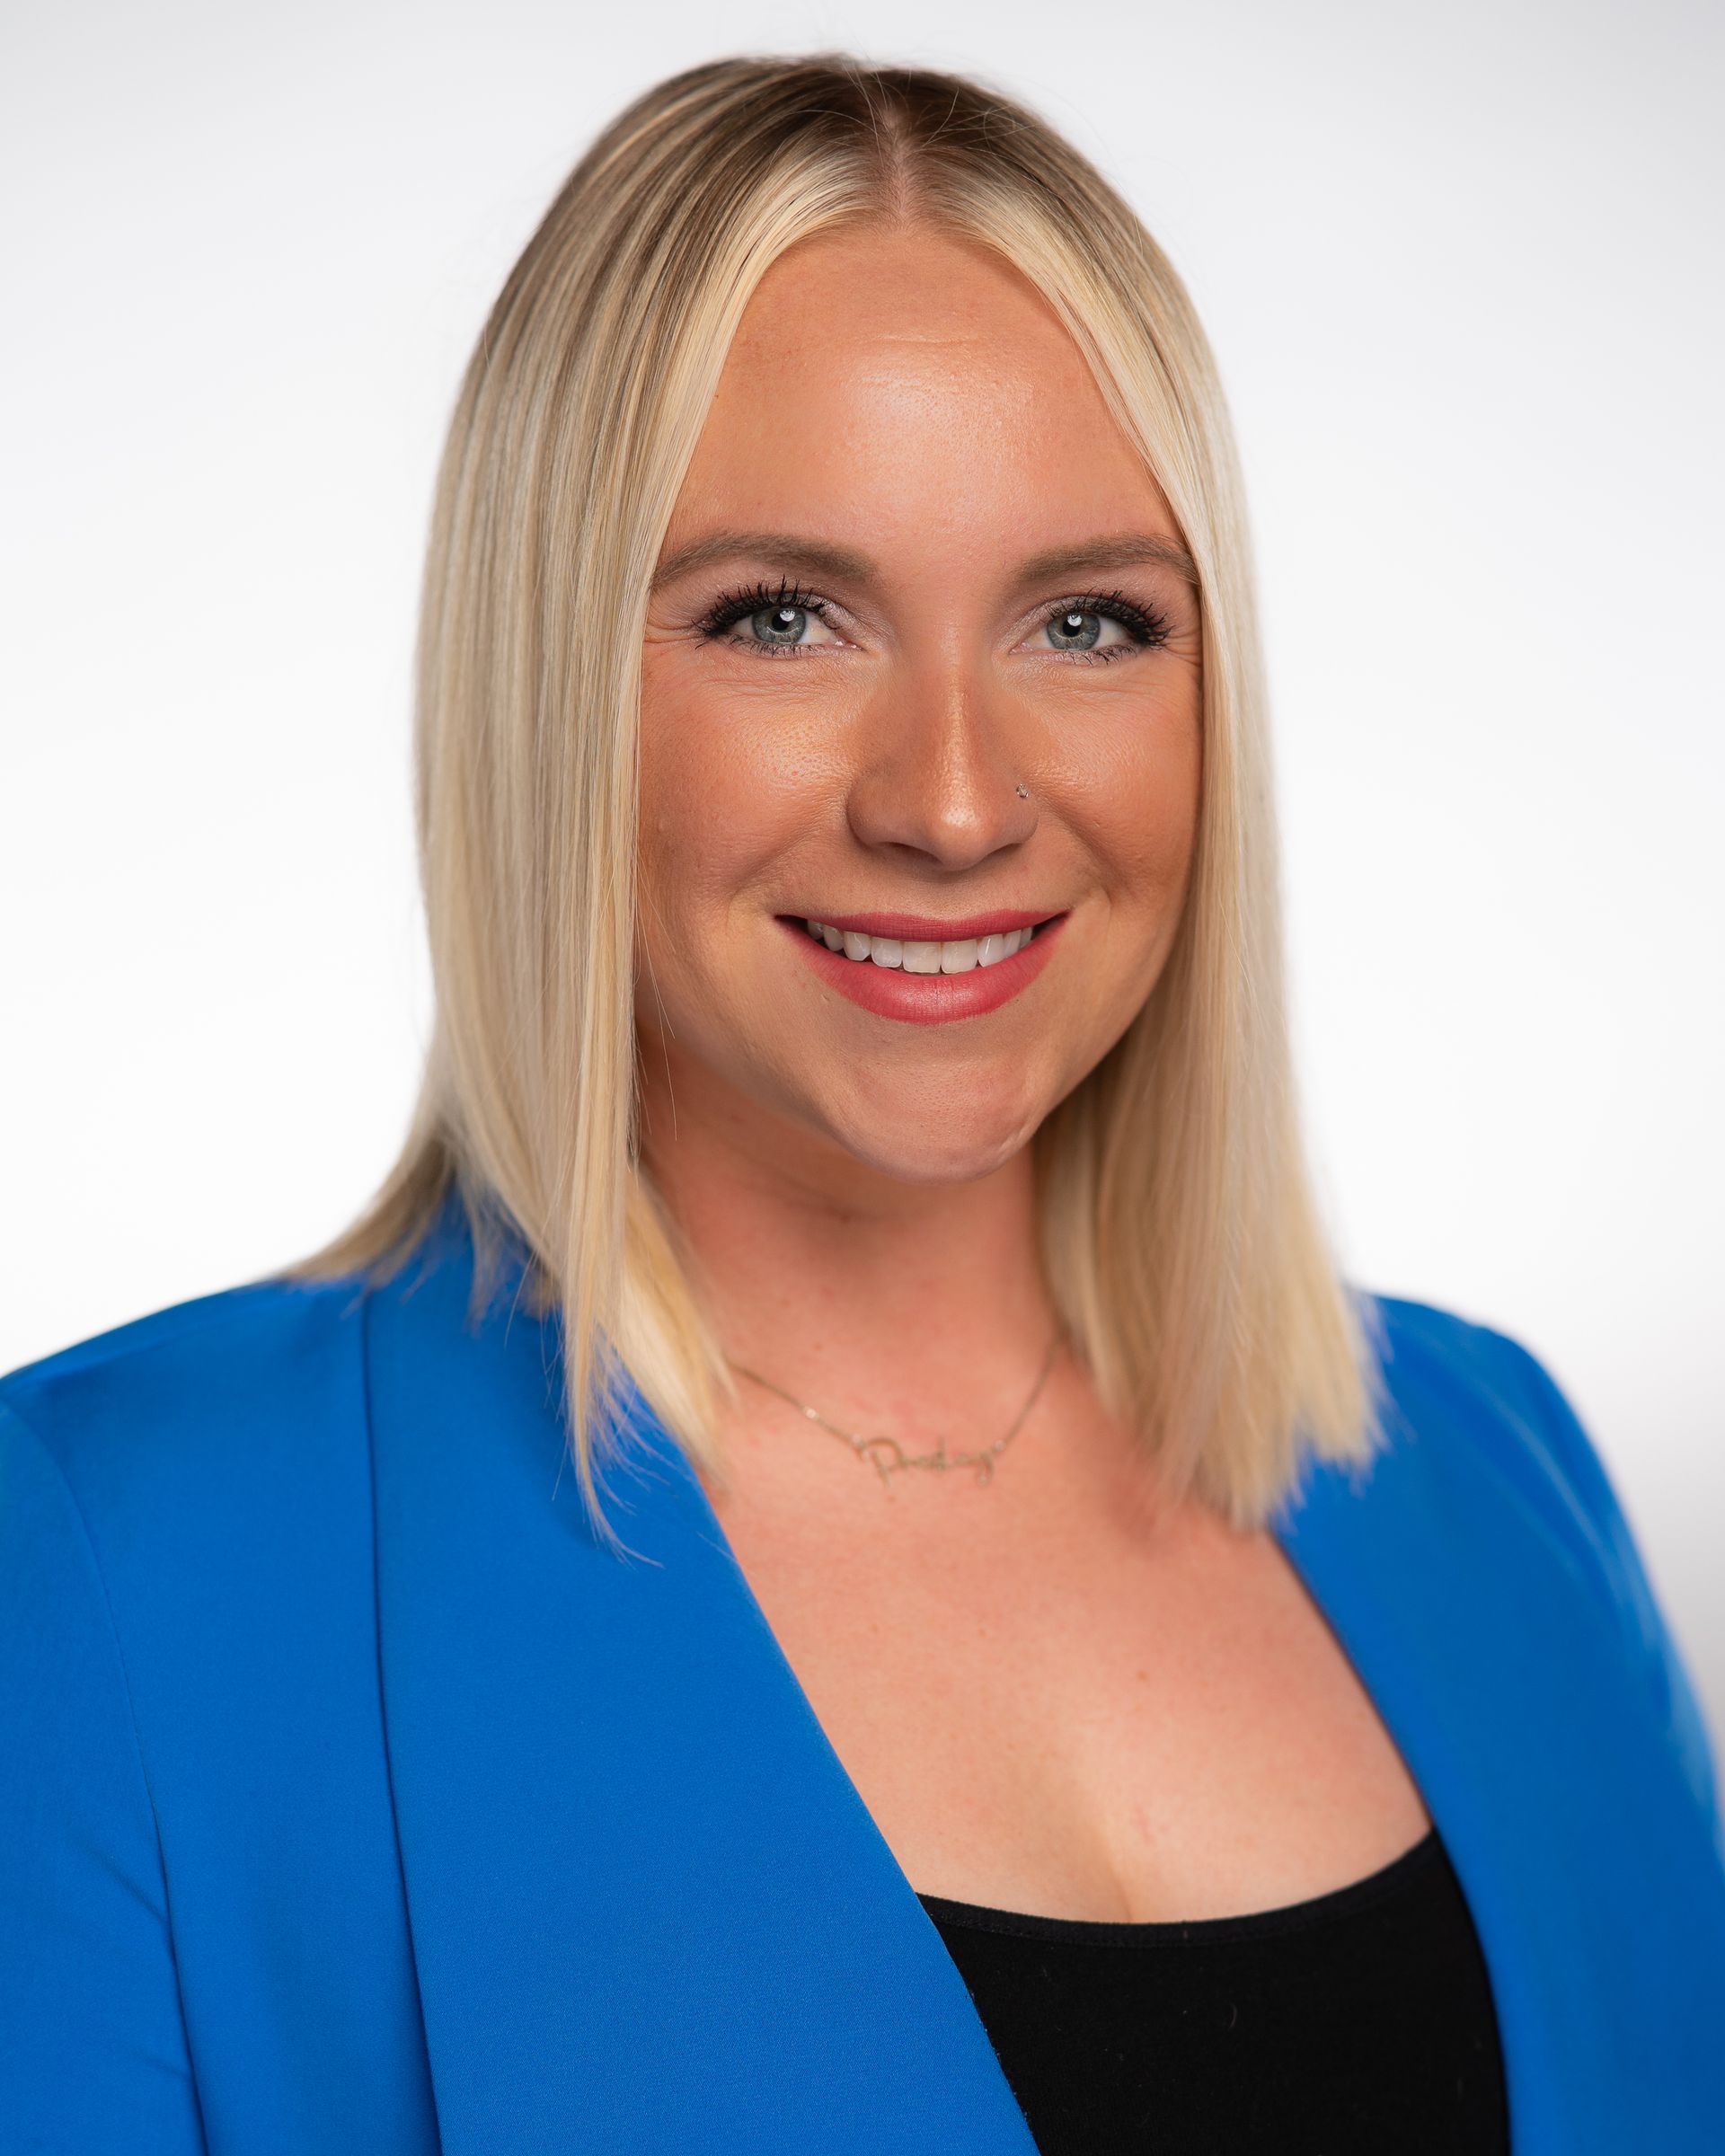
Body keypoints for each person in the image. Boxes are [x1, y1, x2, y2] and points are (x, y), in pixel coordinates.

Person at [2, 52, 1721, 2156]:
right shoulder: (106, 1563)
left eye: (1088, 621)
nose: (958, 800)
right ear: (550, 684)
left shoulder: (1499, 1465)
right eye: (784, 618)